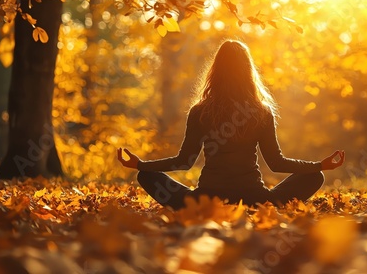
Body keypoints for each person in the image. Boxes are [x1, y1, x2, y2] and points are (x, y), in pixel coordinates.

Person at [118, 40, 345, 210]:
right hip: (254, 199)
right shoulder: (261, 112)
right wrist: (319, 165)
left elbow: (184, 162)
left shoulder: (200, 111)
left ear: (215, 72)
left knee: (146, 176)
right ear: (248, 72)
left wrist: (141, 165)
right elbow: (276, 163)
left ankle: (192, 202)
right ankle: (266, 204)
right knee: (316, 176)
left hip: (207, 200)